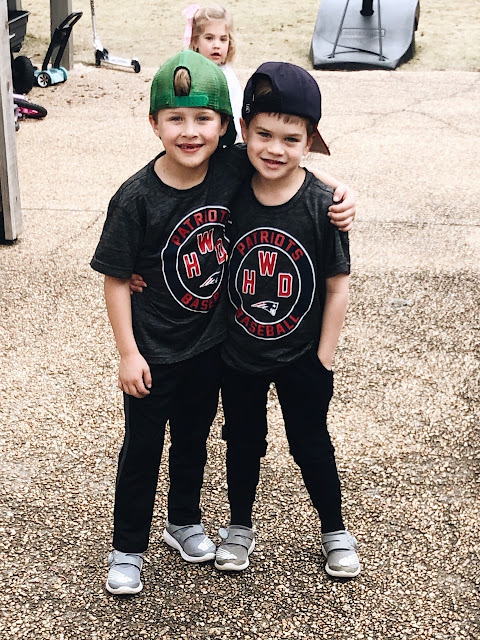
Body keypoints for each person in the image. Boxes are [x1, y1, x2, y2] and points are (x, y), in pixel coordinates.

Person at [92, 49, 355, 596]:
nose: (190, 132)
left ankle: (184, 522)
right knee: (143, 449)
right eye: (176, 119)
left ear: (223, 127)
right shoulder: (136, 198)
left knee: (194, 439)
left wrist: (340, 190)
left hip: (211, 344)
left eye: (203, 119)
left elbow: (290, 160)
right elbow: (115, 277)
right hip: (154, 350)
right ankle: (127, 548)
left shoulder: (231, 166)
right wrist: (127, 352)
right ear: (154, 123)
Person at [215, 62, 361, 578]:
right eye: (263, 134)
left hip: (302, 354)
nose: (275, 149)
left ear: (310, 140)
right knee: (242, 442)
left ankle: (335, 529)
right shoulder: (230, 184)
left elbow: (337, 285)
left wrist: (324, 359)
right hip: (239, 351)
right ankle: (239, 527)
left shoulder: (323, 206)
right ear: (245, 131)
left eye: (291, 139)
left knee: (311, 443)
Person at [182, 3, 243, 140]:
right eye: (209, 38)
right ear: (195, 41)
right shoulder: (187, 72)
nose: (217, 45)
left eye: (223, 39)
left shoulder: (227, 78)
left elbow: (237, 114)